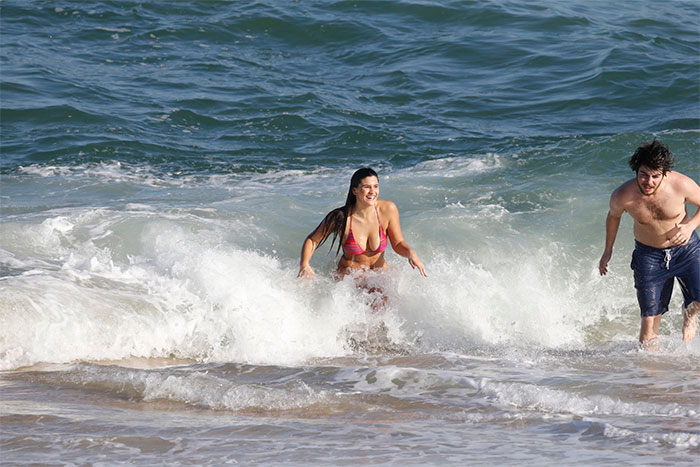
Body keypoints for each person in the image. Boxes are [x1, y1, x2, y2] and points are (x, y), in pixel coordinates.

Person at [598, 140, 700, 346]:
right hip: (649, 256)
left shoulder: (681, 185)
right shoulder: (622, 195)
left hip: (686, 250)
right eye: (644, 174)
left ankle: (690, 316)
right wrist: (608, 250)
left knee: (698, 301)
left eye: (655, 176)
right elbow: (613, 217)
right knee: (649, 320)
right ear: (636, 170)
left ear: (665, 174)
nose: (649, 181)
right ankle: (648, 372)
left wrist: (689, 227)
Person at [298, 167, 427, 281]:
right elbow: (312, 240)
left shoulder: (387, 210)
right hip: (350, 278)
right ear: (355, 190)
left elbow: (398, 243)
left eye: (376, 186)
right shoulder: (341, 217)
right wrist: (304, 265)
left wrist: (411, 253)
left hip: (379, 275)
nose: (372, 191)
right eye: (367, 187)